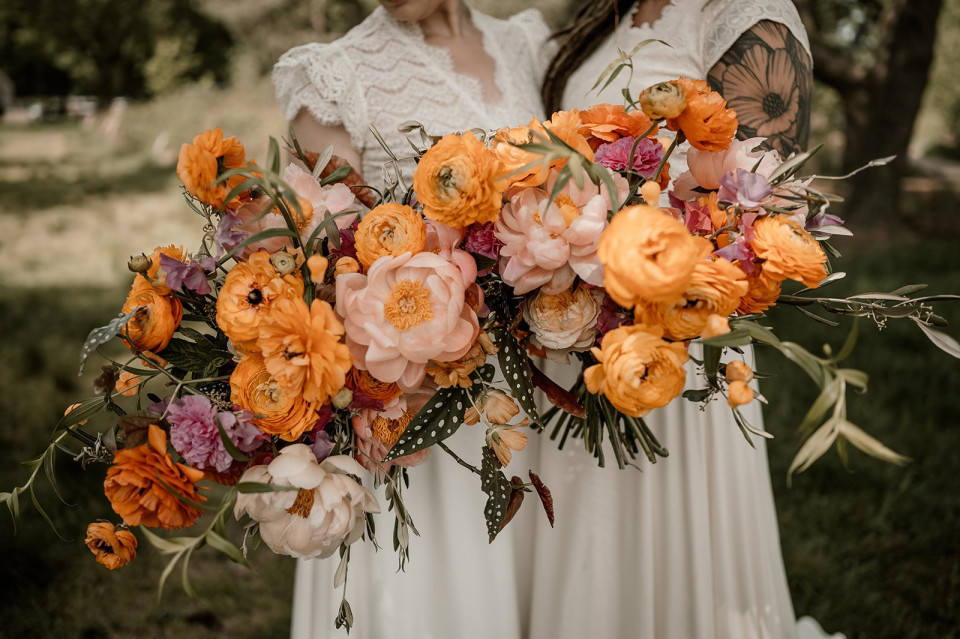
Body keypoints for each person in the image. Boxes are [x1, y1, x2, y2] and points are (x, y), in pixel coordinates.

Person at [526, 1, 845, 638]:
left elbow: (759, 215)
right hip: (571, 336)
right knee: (586, 544)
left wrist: (638, 272)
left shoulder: (748, 17)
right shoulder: (602, 16)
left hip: (678, 342)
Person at [271, 2, 551, 637]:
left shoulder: (527, 43)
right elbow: (329, 260)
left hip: (532, 384)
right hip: (419, 390)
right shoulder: (332, 75)